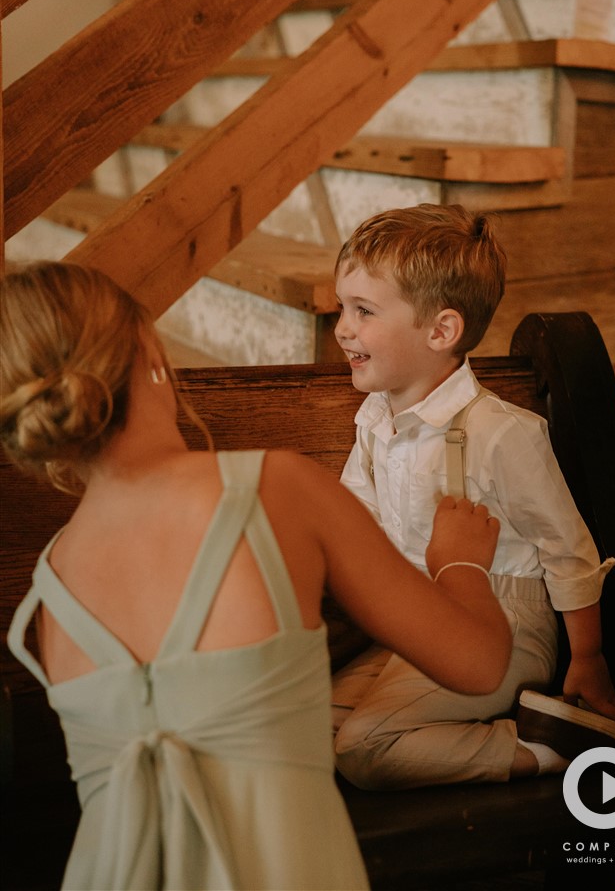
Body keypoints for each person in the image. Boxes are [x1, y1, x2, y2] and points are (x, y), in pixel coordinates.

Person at [1, 260, 511, 891]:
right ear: (148, 353)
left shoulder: (48, 595)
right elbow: (478, 663)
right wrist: (459, 563)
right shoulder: (277, 488)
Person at [332, 203, 615, 791]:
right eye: (343, 308)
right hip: (419, 619)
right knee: (309, 730)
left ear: (441, 330)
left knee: (365, 748)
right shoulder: (374, 421)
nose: (343, 327)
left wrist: (588, 659)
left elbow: (566, 547)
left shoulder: (501, 433)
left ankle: (557, 753)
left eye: (363, 311)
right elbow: (354, 524)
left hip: (505, 623)